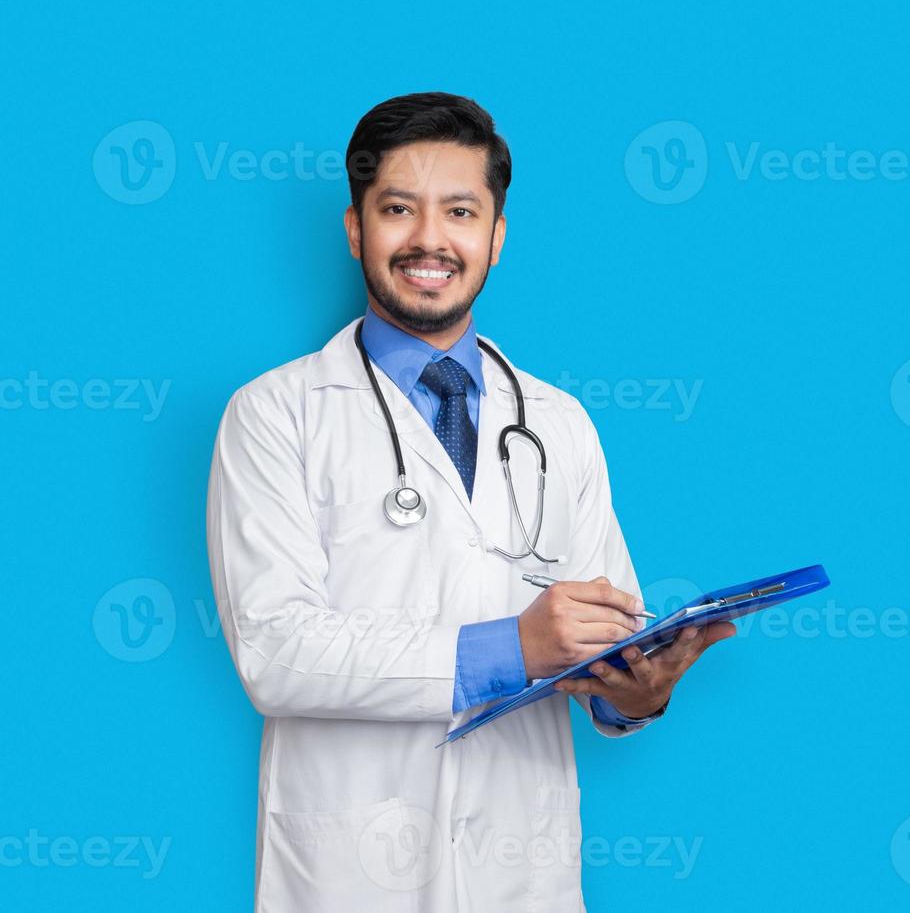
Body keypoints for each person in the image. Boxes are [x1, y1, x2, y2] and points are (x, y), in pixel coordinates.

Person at [205, 91, 735, 911]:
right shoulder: (276, 414)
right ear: (355, 230)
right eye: (396, 209)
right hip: (350, 871)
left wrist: (636, 693)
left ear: (495, 237)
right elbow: (276, 654)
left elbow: (605, 632)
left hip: (520, 869)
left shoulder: (558, 423)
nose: (428, 239)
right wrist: (511, 648)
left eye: (459, 211)